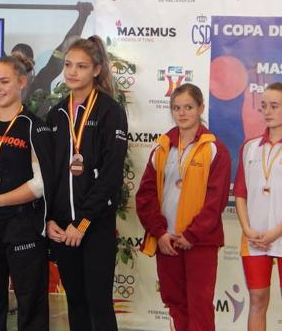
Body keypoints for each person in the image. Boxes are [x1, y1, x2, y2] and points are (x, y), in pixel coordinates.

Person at [45, 36, 128, 331]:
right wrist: (50, 219)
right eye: (68, 65)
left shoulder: (109, 111)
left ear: (96, 70)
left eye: (81, 66)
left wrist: (81, 223)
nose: (72, 72)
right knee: (76, 304)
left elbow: (111, 175)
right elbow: (49, 175)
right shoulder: (55, 114)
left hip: (93, 226)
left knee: (98, 305)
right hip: (62, 227)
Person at [0, 53, 52, 331]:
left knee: (31, 302)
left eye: (4, 81)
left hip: (22, 225)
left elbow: (40, 184)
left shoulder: (34, 126)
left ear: (22, 82)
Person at [136, 83, 231, 331]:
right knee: (175, 304)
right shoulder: (162, 148)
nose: (182, 113)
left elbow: (216, 201)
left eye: (188, 107)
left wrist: (191, 234)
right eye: (176, 108)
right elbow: (145, 196)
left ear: (201, 107)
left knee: (199, 305)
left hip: (199, 242)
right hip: (167, 242)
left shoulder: (215, 149)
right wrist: (160, 233)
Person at [234, 82, 282, 331]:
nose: (268, 111)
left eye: (274, 106)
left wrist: (276, 232)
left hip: (280, 233)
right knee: (257, 301)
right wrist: (247, 229)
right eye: (264, 106)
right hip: (253, 238)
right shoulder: (249, 147)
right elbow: (240, 193)